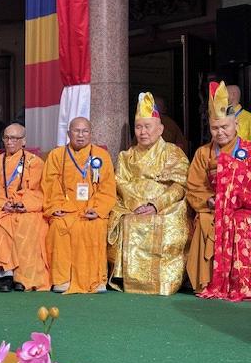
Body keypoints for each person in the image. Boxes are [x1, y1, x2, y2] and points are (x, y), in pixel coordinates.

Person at [107, 92, 190, 295]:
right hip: (133, 206)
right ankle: (130, 281)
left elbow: (180, 185)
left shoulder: (172, 152)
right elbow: (119, 183)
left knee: (170, 222)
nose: (143, 132)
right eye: (138, 127)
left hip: (164, 207)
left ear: (160, 129)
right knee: (123, 220)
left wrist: (156, 204)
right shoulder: (126, 156)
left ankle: (163, 282)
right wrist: (137, 203)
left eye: (147, 126)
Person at [187, 81, 251, 300]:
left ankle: (241, 282)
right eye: (215, 128)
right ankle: (207, 281)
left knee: (242, 221)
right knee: (205, 221)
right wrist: (209, 201)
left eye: (225, 127)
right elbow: (194, 187)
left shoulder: (247, 150)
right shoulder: (203, 153)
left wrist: (236, 199)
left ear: (236, 125)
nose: (220, 132)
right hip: (212, 209)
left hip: (242, 209)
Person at [42, 117, 117, 294]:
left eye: (85, 131)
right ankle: (62, 279)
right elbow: (50, 185)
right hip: (66, 208)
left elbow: (107, 188)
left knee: (96, 225)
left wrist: (97, 209)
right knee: (59, 226)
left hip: (91, 209)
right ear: (69, 133)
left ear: (91, 134)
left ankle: (95, 280)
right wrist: (56, 207)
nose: (81, 135)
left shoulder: (101, 156)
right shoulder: (56, 155)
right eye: (76, 131)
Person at [0, 123, 49, 292]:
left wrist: (24, 204)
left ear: (24, 141)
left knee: (30, 223)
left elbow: (39, 191)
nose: (9, 142)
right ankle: (5, 272)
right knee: (0, 223)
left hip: (26, 208)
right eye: (6, 138)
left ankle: (24, 275)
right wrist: (3, 203)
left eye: (14, 138)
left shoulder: (35, 163)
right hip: (2, 208)